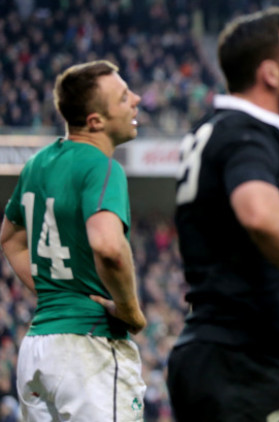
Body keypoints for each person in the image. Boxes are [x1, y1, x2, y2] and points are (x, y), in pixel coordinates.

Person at [166, 7, 279, 422]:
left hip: (206, 352)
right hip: (243, 362)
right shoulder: (250, 130)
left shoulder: (212, 128)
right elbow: (259, 212)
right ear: (270, 74)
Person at [0, 60, 146, 421]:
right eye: (124, 96)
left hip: (37, 349)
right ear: (95, 121)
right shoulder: (102, 166)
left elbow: (9, 237)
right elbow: (109, 247)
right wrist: (130, 311)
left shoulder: (37, 164)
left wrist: (54, 292)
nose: (137, 100)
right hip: (89, 348)